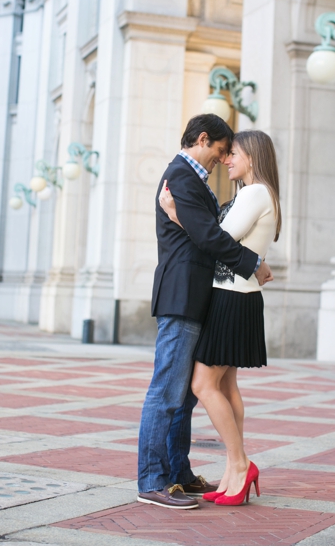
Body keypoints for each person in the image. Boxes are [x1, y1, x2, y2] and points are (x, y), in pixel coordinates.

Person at [137, 114, 273, 510]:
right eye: (220, 149)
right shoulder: (180, 175)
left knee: (183, 397)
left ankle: (177, 473)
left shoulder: (193, 180)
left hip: (198, 298)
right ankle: (151, 480)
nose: (222, 158)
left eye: (230, 152)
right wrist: (253, 262)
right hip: (182, 297)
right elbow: (210, 236)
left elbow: (203, 230)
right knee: (166, 392)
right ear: (202, 139)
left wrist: (187, 221)